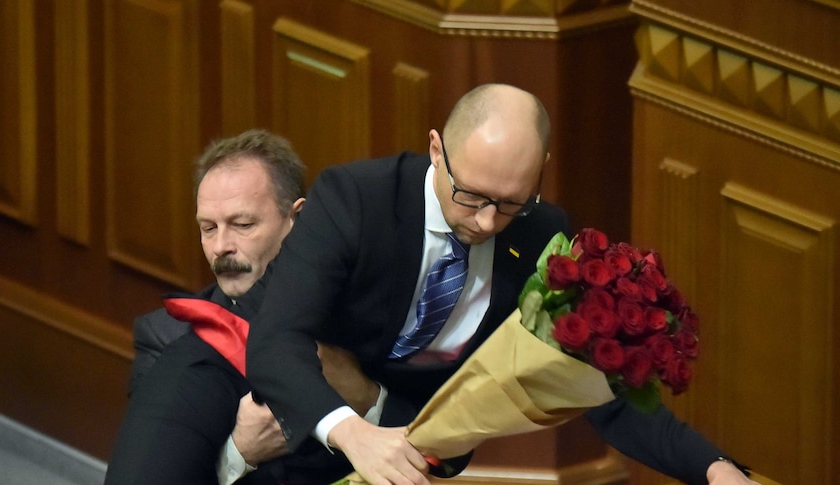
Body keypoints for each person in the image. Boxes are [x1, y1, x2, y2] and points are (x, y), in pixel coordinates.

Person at [244, 84, 757, 485]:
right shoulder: (356, 198)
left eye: (512, 201)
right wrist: (354, 433)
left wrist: (711, 467)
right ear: (436, 150)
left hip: (412, 460)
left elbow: (600, 388)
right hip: (268, 424)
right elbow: (275, 340)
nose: (488, 222)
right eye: (471, 196)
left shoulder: (542, 234)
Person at [105, 129, 383, 485]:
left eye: (242, 224)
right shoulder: (167, 337)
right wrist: (239, 453)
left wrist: (369, 400)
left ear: (298, 219)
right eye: (208, 228)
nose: (221, 246)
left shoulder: (352, 308)